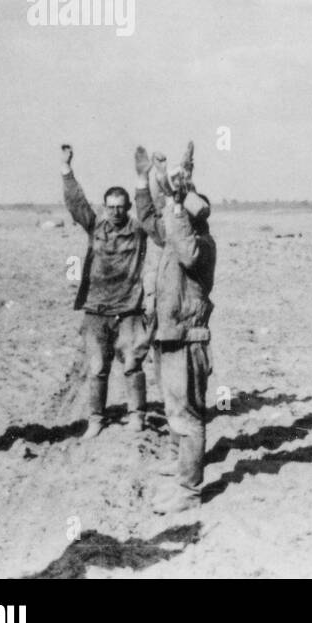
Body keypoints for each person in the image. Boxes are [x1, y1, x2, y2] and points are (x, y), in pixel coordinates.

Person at [62, 144, 158, 437]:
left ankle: (137, 416)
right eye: (111, 206)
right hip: (97, 309)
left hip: (128, 309)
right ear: (105, 207)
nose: (116, 211)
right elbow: (77, 204)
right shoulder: (96, 228)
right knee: (97, 366)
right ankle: (96, 419)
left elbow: (149, 210)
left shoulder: (138, 229)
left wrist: (143, 179)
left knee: (132, 363)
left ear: (128, 207)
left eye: (121, 206)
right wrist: (67, 169)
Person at [142, 150, 217, 513]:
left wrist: (177, 199)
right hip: (171, 336)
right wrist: (155, 179)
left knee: (188, 418)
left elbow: (185, 248)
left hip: (188, 340)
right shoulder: (178, 238)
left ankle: (189, 491)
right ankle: (180, 473)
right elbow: (156, 220)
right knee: (177, 413)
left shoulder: (200, 244)